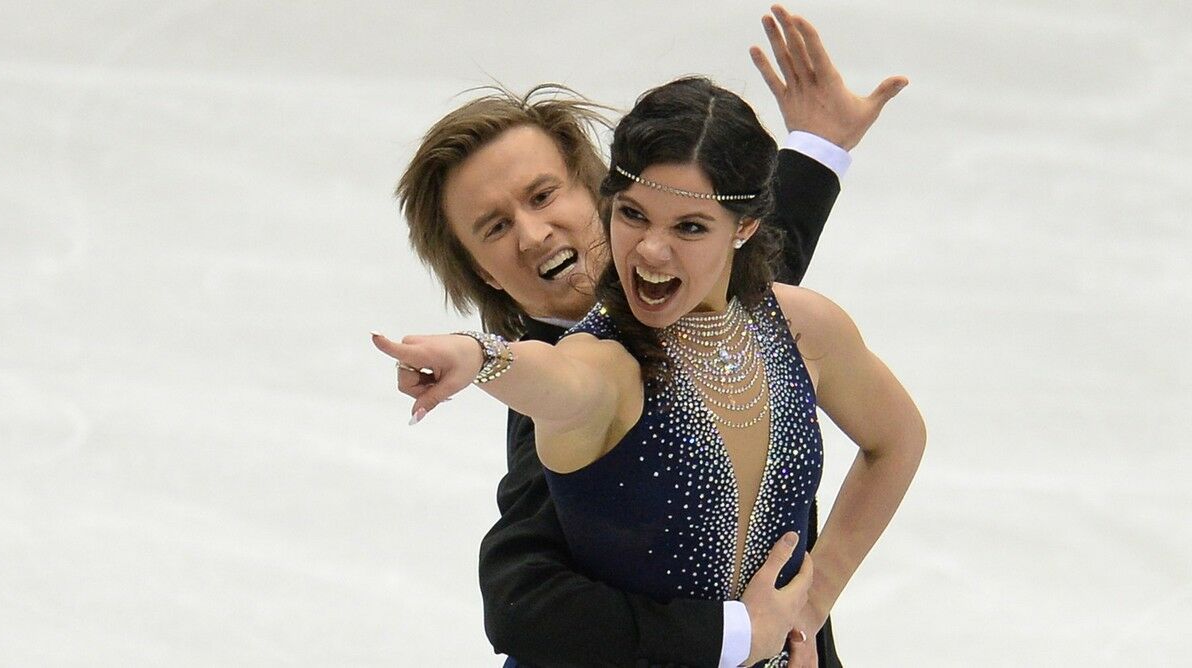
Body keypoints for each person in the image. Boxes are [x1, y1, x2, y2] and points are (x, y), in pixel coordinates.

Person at [389, 9, 909, 666]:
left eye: (543, 195)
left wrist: (818, 148)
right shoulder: (559, 394)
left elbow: (758, 252)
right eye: (494, 227)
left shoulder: (731, 298)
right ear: (479, 272)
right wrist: (740, 636)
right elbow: (523, 602)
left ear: (598, 191)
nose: (533, 233)